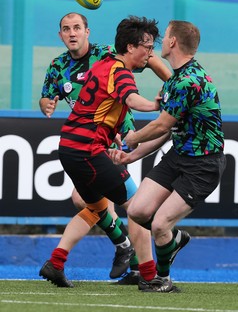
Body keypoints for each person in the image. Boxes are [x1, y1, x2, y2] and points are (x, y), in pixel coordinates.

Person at [39, 15, 179, 289]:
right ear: (129, 47)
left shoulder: (104, 61)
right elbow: (131, 100)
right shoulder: (119, 70)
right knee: (137, 206)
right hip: (88, 150)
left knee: (93, 207)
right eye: (147, 47)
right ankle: (148, 275)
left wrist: (173, 84)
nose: (150, 54)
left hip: (70, 146)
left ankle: (55, 263)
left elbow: (105, 102)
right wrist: (155, 105)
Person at [109, 20, 226, 292]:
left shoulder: (188, 80)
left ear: (173, 43)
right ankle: (172, 240)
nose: (160, 41)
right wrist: (131, 156)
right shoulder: (175, 79)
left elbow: (161, 125)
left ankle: (162, 279)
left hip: (203, 165)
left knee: (160, 224)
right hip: (179, 156)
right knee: (137, 211)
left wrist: (132, 138)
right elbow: (169, 130)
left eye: (165, 37)